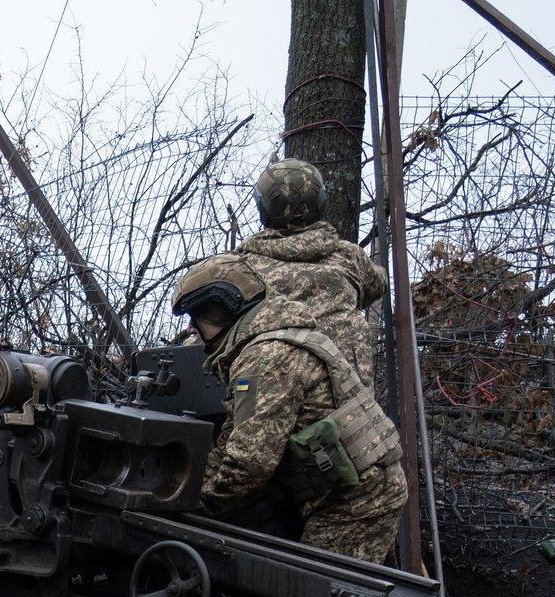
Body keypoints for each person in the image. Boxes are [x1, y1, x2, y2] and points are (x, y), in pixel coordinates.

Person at [172, 253, 406, 566]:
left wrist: (187, 505)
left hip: (356, 501)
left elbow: (249, 464)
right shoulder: (272, 341)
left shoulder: (265, 358)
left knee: (316, 596)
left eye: (196, 316)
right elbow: (234, 440)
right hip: (350, 489)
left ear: (221, 309)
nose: (192, 329)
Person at [235, 158, 387, 393]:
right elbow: (378, 283)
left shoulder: (240, 267)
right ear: (320, 202)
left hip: (267, 401)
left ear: (263, 208)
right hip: (348, 406)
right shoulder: (349, 256)